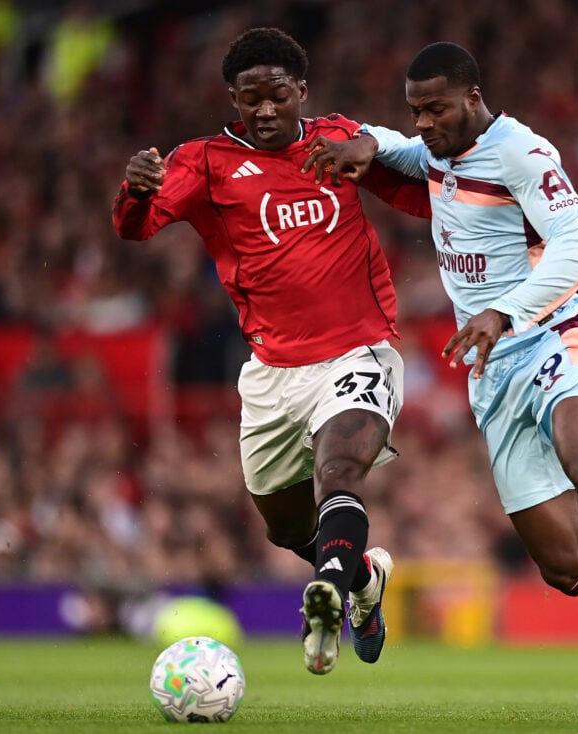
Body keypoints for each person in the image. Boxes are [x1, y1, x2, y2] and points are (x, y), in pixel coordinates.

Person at [302, 42, 578, 678]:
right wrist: (368, 140)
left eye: (437, 109)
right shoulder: (438, 150)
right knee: (561, 564)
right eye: (416, 111)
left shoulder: (523, 154)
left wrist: (504, 310)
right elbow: (402, 147)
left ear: (473, 99)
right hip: (493, 373)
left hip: (556, 338)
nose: (425, 123)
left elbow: (576, 245)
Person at [112, 27, 430, 675]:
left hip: (359, 352)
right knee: (286, 528)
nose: (262, 110)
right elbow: (137, 226)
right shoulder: (204, 162)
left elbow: (418, 196)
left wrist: (384, 154)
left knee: (339, 470)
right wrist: (136, 188)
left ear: (301, 92)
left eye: (276, 95)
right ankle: (363, 582)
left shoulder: (336, 138)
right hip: (272, 372)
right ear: (233, 99)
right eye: (248, 98)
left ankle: (329, 597)